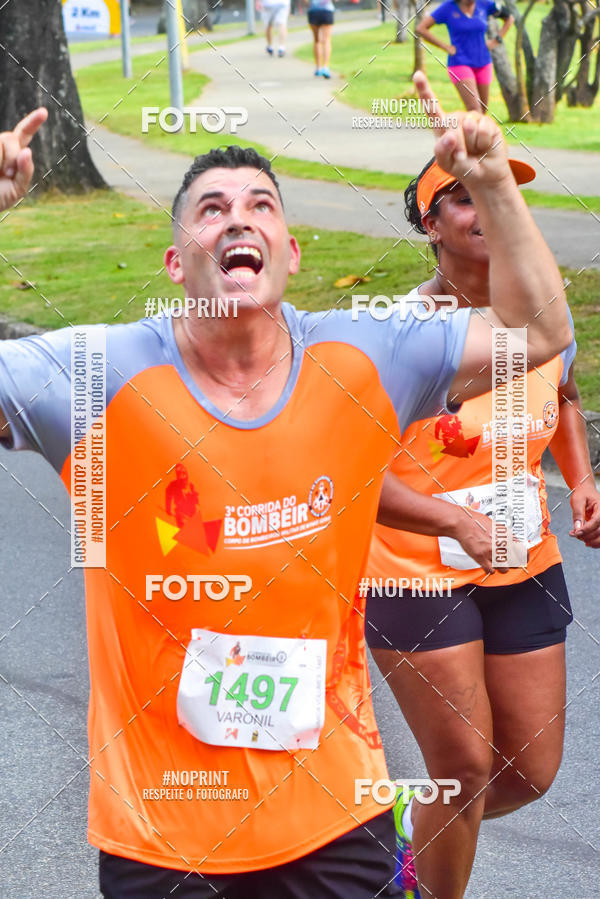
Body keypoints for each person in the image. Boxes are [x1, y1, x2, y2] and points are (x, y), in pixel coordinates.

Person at [0, 77, 572, 897]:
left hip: (337, 815)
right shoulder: (96, 372)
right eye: (211, 209)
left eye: (263, 204)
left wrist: (489, 182)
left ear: (291, 252)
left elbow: (541, 332)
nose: (238, 217)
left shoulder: (368, 353)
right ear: (176, 261)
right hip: (162, 833)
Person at [364, 157, 600, 899]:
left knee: (528, 770)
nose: (486, 212)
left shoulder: (540, 311)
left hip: (524, 559)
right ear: (430, 224)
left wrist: (583, 476)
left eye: (496, 197)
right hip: (412, 568)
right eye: (462, 200)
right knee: (463, 767)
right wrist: (450, 517)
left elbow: (562, 390)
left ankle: (410, 820)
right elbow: (348, 469)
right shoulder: (396, 336)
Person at [417, 0, 514, 111]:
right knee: (474, 108)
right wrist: (445, 47)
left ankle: (471, 128)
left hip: (483, 62)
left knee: (483, 110)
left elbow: (509, 18)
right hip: (460, 63)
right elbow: (421, 28)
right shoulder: (448, 7)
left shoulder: (485, 4)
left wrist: (496, 40)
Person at [307, 0, 335, 77]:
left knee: (317, 40)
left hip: (313, 11)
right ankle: (325, 67)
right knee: (326, 40)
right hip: (327, 11)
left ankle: (318, 68)